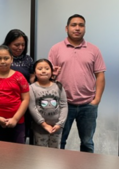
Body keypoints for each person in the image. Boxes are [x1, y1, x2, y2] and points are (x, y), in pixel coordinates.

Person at [48, 14, 106, 153]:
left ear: (85, 28)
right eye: (74, 25)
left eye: (81, 25)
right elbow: (47, 75)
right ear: (67, 28)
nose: (77, 28)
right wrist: (52, 74)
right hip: (63, 104)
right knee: (59, 140)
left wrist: (96, 100)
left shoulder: (94, 49)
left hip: (88, 105)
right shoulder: (56, 49)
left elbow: (100, 75)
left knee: (87, 142)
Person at [0, 29, 35, 144]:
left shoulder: (28, 59)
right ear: (8, 43)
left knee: (19, 141)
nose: (20, 47)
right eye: (16, 45)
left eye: (23, 45)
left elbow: (32, 79)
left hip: (20, 105)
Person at [0, 45, 29, 143]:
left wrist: (15, 119)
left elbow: (26, 99)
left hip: (17, 121)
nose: (3, 61)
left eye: (6, 58)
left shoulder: (19, 77)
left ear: (11, 59)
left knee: (18, 150)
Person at [29, 59, 68, 148]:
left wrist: (60, 124)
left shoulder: (58, 86)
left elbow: (64, 105)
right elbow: (32, 108)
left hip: (57, 128)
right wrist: (44, 124)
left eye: (47, 68)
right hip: (40, 128)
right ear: (34, 72)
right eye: (40, 68)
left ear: (51, 71)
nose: (43, 71)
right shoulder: (32, 88)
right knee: (41, 151)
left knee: (54, 151)